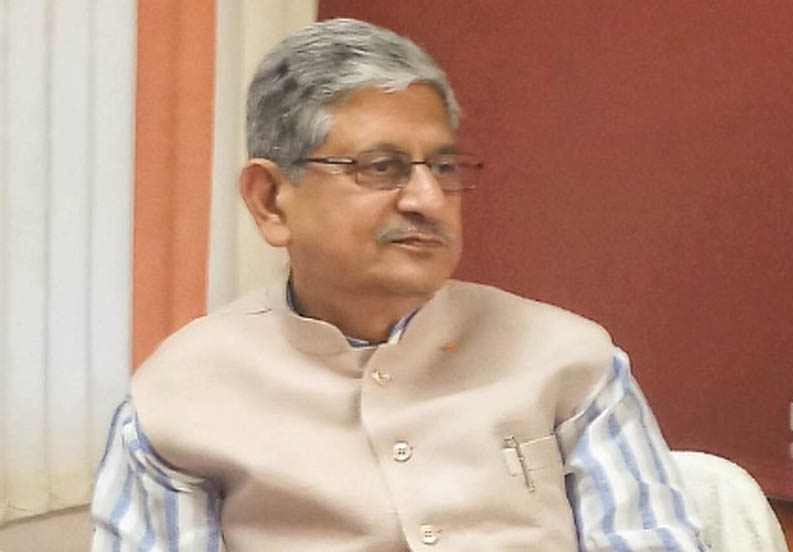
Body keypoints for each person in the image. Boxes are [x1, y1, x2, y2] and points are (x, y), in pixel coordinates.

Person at [91, 18, 706, 551]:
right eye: (381, 167)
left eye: (444, 166)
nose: (429, 199)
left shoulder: (570, 362)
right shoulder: (179, 399)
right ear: (271, 200)